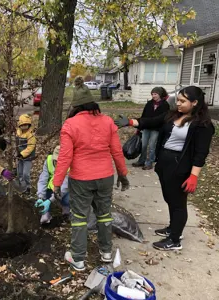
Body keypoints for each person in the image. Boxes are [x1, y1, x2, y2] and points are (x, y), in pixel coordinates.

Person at [115, 86, 214, 251]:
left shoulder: (203, 125)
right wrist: (131, 122)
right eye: (178, 100)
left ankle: (175, 240)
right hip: (165, 164)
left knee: (178, 203)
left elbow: (200, 154)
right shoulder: (173, 115)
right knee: (169, 198)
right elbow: (152, 121)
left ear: (195, 102)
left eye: (183, 101)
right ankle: (173, 228)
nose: (179, 104)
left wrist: (194, 176)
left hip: (180, 166)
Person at [53, 85, 130, 271]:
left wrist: (56, 183)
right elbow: (117, 152)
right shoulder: (107, 122)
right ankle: (106, 252)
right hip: (105, 177)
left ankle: (78, 259)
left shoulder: (70, 125)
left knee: (79, 216)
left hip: (81, 179)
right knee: (104, 214)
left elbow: (65, 157)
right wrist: (122, 174)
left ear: (75, 106)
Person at [133, 87, 170, 170]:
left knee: (152, 146)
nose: (153, 96)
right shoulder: (149, 103)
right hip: (146, 127)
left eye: (155, 94)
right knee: (143, 145)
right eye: (152, 94)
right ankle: (141, 161)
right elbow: (143, 116)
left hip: (156, 129)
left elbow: (164, 119)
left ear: (160, 94)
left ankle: (149, 163)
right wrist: (140, 127)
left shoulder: (165, 105)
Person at [35, 146, 70, 224]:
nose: (57, 163)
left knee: (67, 199)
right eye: (56, 160)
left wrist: (50, 200)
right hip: (51, 187)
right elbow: (42, 180)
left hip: (65, 189)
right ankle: (46, 213)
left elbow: (64, 187)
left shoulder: (69, 165)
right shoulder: (49, 161)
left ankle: (66, 208)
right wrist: (41, 196)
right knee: (46, 195)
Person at [16, 114, 36, 194]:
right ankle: (23, 187)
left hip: (28, 157)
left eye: (26, 125)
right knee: (19, 173)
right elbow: (16, 144)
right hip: (19, 156)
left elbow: (30, 147)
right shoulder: (18, 133)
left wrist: (22, 154)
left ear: (29, 125)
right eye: (22, 125)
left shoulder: (30, 135)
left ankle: (28, 186)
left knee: (25, 174)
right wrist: (17, 153)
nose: (24, 127)